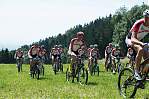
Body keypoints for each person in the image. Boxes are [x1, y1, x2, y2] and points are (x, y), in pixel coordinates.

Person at [125, 9, 149, 80]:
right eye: (146, 17)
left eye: (148, 18)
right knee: (140, 49)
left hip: (139, 40)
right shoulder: (139, 23)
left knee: (147, 57)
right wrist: (141, 43)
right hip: (130, 39)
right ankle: (136, 71)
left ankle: (142, 75)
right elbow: (133, 39)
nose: (147, 20)